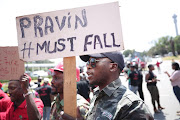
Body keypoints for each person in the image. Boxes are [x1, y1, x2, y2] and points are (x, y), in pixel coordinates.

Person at [77, 51, 153, 120]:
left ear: (113, 67)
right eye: (87, 62)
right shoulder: (98, 94)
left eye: (92, 62)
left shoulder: (132, 107)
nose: (88, 66)